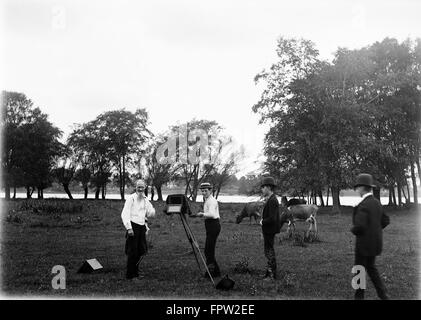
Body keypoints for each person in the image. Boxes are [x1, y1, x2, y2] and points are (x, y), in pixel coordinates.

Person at [351, 173, 390, 300]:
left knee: (359, 270)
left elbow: (360, 227)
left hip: (363, 245)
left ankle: (359, 296)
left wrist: (353, 229)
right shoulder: (377, 203)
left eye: (357, 187)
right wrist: (375, 230)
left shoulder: (362, 205)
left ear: (362, 188)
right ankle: (383, 295)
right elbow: (385, 220)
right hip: (375, 244)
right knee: (371, 269)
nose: (357, 190)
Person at [121, 179, 156, 280]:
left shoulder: (145, 199)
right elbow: (125, 214)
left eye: (142, 187)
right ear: (135, 187)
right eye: (138, 187)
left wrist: (153, 212)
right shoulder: (131, 198)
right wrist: (129, 228)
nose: (140, 189)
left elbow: (150, 212)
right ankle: (130, 275)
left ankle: (136, 273)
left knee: (140, 251)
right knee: (132, 252)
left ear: (145, 187)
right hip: (133, 227)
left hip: (141, 228)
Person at [195, 182, 221, 278]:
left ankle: (212, 272)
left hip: (214, 225)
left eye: (206, 191)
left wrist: (202, 214)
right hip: (210, 225)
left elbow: (212, 214)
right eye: (202, 191)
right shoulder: (207, 200)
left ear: (210, 190)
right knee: (208, 250)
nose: (204, 193)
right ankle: (215, 272)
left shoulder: (212, 201)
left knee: (208, 250)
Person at [260, 176, 280, 281]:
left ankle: (272, 276)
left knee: (269, 252)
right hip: (268, 230)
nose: (262, 189)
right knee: (268, 252)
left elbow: (272, 218)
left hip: (270, 230)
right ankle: (268, 274)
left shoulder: (272, 200)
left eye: (263, 187)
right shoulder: (271, 199)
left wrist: (262, 221)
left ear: (268, 187)